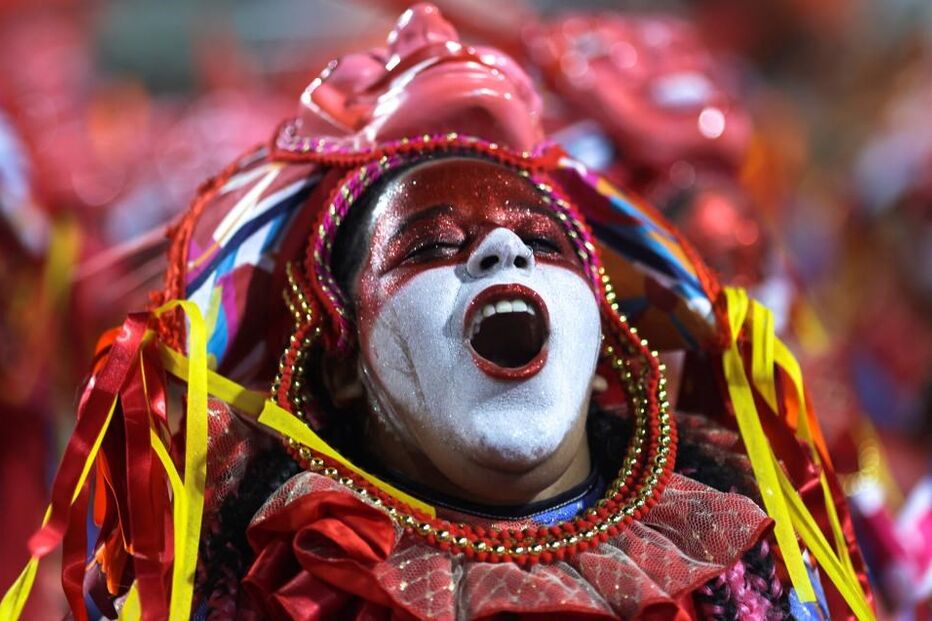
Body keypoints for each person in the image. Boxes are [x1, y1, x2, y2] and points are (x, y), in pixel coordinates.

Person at [2, 5, 874, 620]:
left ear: (605, 327)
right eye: (428, 247)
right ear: (341, 356)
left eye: (542, 239)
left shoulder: (741, 539)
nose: (505, 254)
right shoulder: (254, 576)